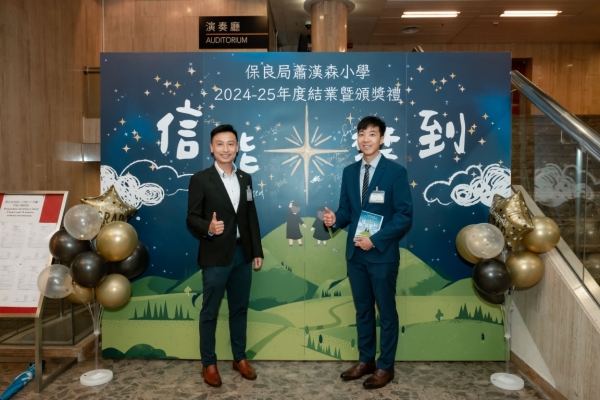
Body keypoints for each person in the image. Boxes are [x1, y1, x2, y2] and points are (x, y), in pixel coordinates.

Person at [323, 116, 412, 389]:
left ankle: (385, 366)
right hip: (356, 255)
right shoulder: (350, 172)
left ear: (382, 139)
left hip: (382, 255)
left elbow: (404, 216)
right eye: (362, 133)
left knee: (386, 313)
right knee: (363, 311)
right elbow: (347, 211)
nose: (366, 139)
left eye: (372, 134)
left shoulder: (395, 172)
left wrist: (374, 240)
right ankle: (366, 360)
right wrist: (334, 220)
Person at [186, 124, 264, 387]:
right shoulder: (200, 179)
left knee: (239, 309)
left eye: (230, 144)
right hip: (215, 255)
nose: (225, 149)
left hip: (242, 254)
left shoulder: (245, 178)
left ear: (237, 147)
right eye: (220, 144)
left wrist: (256, 250)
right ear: (211, 148)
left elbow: (250, 216)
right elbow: (191, 218)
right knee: (210, 311)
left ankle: (239, 358)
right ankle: (208, 363)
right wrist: (208, 227)